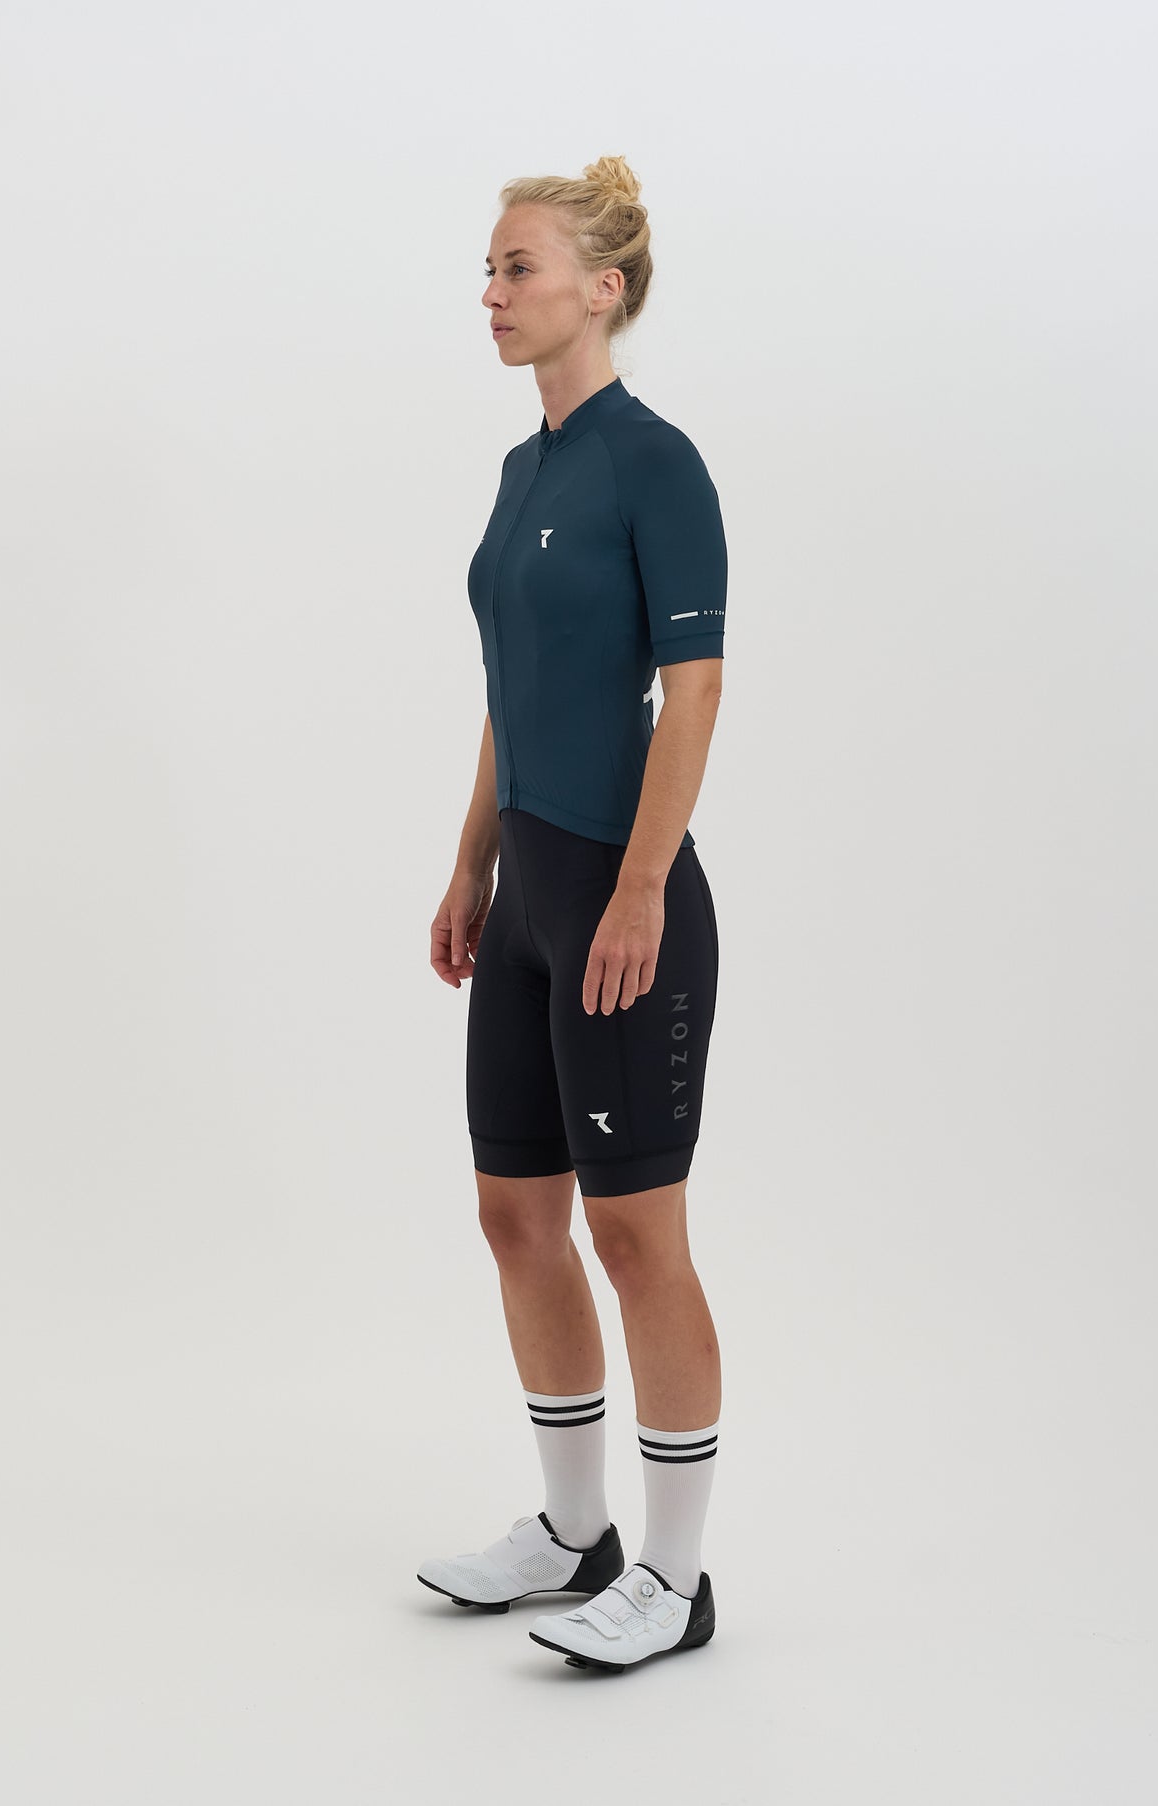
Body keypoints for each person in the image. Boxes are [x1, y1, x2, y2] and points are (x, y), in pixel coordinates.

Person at [419, 155, 727, 1674]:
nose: (490, 293)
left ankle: (674, 1575)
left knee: (633, 1234)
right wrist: (469, 863)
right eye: (488, 269)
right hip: (530, 898)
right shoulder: (520, 472)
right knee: (514, 1216)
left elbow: (695, 686)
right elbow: (510, 690)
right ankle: (571, 1530)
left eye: (516, 267)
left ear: (601, 290)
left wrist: (641, 884)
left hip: (623, 901)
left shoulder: (652, 464)